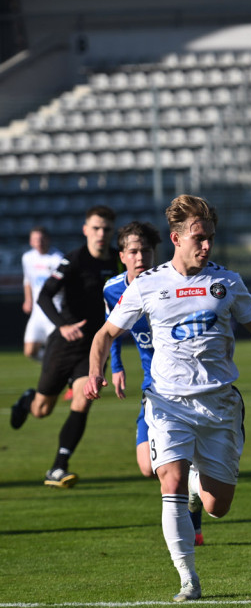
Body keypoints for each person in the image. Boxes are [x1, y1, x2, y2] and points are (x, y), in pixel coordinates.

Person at [86, 194, 251, 602]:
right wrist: (96, 370)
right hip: (168, 403)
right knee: (167, 479)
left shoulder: (227, 282)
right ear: (176, 238)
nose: (207, 246)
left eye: (210, 238)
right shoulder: (148, 284)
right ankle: (188, 578)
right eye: (199, 238)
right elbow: (105, 334)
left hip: (219, 404)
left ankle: (195, 483)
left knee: (216, 505)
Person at [102, 221, 205, 545]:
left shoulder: (167, 281)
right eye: (133, 251)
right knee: (147, 467)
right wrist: (116, 367)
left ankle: (193, 524)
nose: (139, 256)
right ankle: (193, 490)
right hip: (152, 385)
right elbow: (112, 330)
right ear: (122, 255)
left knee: (174, 466)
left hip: (180, 383)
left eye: (145, 250)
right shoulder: (112, 289)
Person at [10, 206, 121, 488]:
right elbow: (45, 296)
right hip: (64, 344)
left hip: (94, 347)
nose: (101, 234)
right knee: (41, 410)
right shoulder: (72, 260)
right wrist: (61, 325)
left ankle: (58, 467)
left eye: (106, 229)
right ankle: (29, 399)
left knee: (83, 399)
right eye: (95, 228)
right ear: (86, 229)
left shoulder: (118, 263)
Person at [21, 226, 64, 361]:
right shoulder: (27, 258)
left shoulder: (57, 259)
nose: (39, 242)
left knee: (56, 350)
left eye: (42, 239)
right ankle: (50, 366)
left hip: (54, 310)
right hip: (37, 312)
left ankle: (55, 369)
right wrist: (28, 300)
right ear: (30, 241)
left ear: (48, 240)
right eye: (35, 239)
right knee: (30, 351)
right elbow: (28, 280)